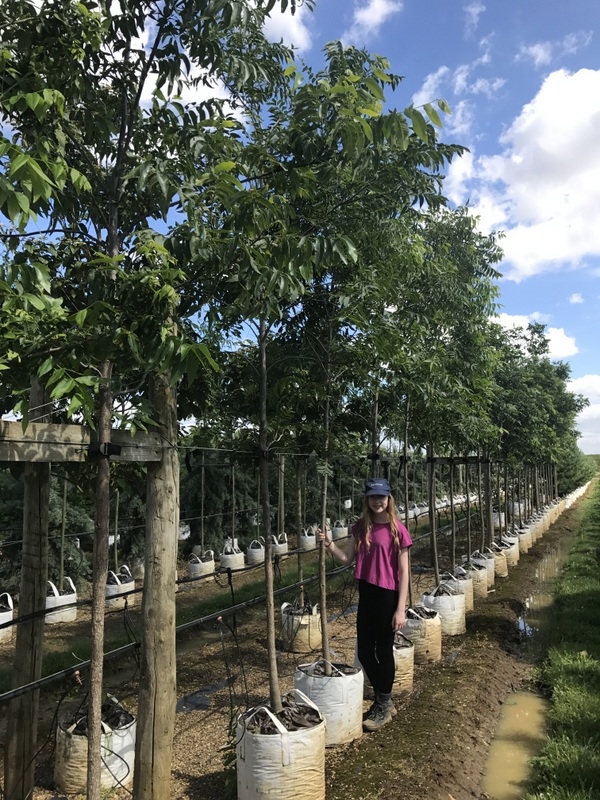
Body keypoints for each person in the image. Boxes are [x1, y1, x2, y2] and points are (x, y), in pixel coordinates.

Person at [318, 477, 412, 732]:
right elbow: (347, 559)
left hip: (387, 594)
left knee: (383, 651)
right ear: (367, 500)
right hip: (367, 592)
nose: (377, 501)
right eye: (372, 497)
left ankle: (384, 703)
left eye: (381, 497)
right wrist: (329, 544)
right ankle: (384, 699)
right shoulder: (360, 527)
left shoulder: (397, 530)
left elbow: (404, 572)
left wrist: (400, 608)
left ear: (389, 499)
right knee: (363, 653)